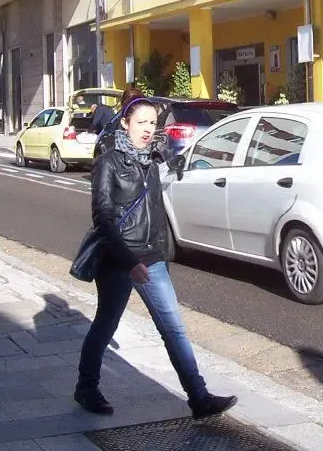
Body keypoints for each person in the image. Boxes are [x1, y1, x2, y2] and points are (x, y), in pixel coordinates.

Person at [75, 96, 237, 419]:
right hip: (120, 261)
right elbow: (103, 218)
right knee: (106, 325)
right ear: (125, 123)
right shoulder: (107, 163)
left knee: (174, 329)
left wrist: (162, 252)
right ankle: (86, 387)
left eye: (152, 122)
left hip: (152, 258)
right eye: (141, 123)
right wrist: (128, 262)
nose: (149, 129)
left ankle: (199, 398)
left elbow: (156, 211)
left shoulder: (153, 159)